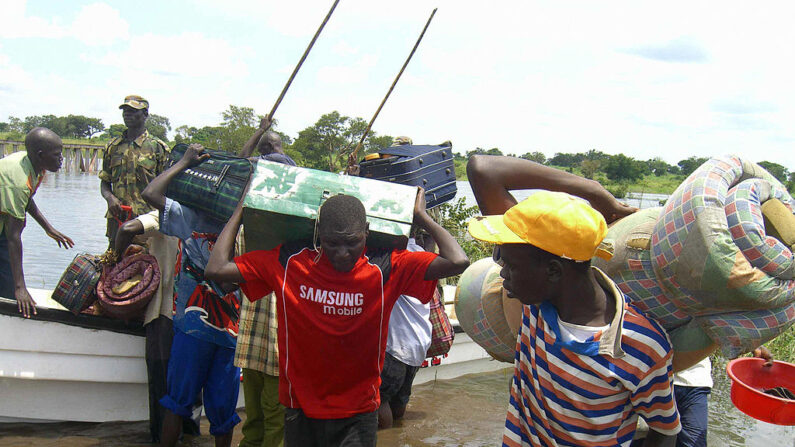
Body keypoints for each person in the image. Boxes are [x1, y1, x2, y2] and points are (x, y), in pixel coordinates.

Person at [205, 190, 469, 446]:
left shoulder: (386, 267)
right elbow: (216, 269)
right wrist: (240, 211)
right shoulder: (290, 263)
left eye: (352, 242)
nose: (342, 252)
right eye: (332, 243)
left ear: (366, 231)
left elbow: (458, 261)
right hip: (301, 409)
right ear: (319, 233)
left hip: (359, 412)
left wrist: (420, 216)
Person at [467, 156, 680, 447]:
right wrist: (595, 192)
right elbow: (482, 168)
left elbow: (664, 433)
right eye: (499, 259)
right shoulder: (535, 305)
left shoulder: (641, 346)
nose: (501, 272)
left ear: (554, 271)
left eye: (509, 265)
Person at [141, 144, 242, 447]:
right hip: (208, 329)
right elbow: (150, 195)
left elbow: (151, 193)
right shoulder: (206, 219)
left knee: (191, 405)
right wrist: (184, 163)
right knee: (199, 407)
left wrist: (183, 164)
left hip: (212, 330)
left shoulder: (195, 218)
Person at [235, 124, 298, 447]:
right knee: (263, 421)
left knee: (268, 420)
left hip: (271, 344)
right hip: (260, 341)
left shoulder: (252, 225)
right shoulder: (260, 227)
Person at [114, 211, 200, 443]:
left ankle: (164, 439)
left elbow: (126, 229)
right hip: (199, 315)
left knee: (163, 386)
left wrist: (113, 262)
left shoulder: (166, 214)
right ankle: (190, 435)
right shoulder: (212, 216)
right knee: (192, 385)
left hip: (165, 313)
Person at [0, 127, 74, 317]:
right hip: (5, 233)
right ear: (41, 155)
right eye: (57, 155)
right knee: (11, 293)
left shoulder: (36, 166)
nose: (61, 159)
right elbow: (13, 237)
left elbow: (27, 199)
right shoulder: (18, 181)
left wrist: (48, 228)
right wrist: (20, 288)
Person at [377, 229, 434, 429]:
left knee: (379, 402)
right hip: (417, 345)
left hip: (396, 345)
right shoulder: (421, 254)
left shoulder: (394, 257)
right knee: (399, 401)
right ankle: (398, 438)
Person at [99, 94, 169, 246]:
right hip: (117, 220)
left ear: (145, 115)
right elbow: (105, 182)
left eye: (133, 111)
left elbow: (168, 189)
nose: (127, 115)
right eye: (125, 111)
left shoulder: (158, 148)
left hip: (146, 222)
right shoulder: (113, 147)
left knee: (147, 266)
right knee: (114, 264)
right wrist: (110, 198)